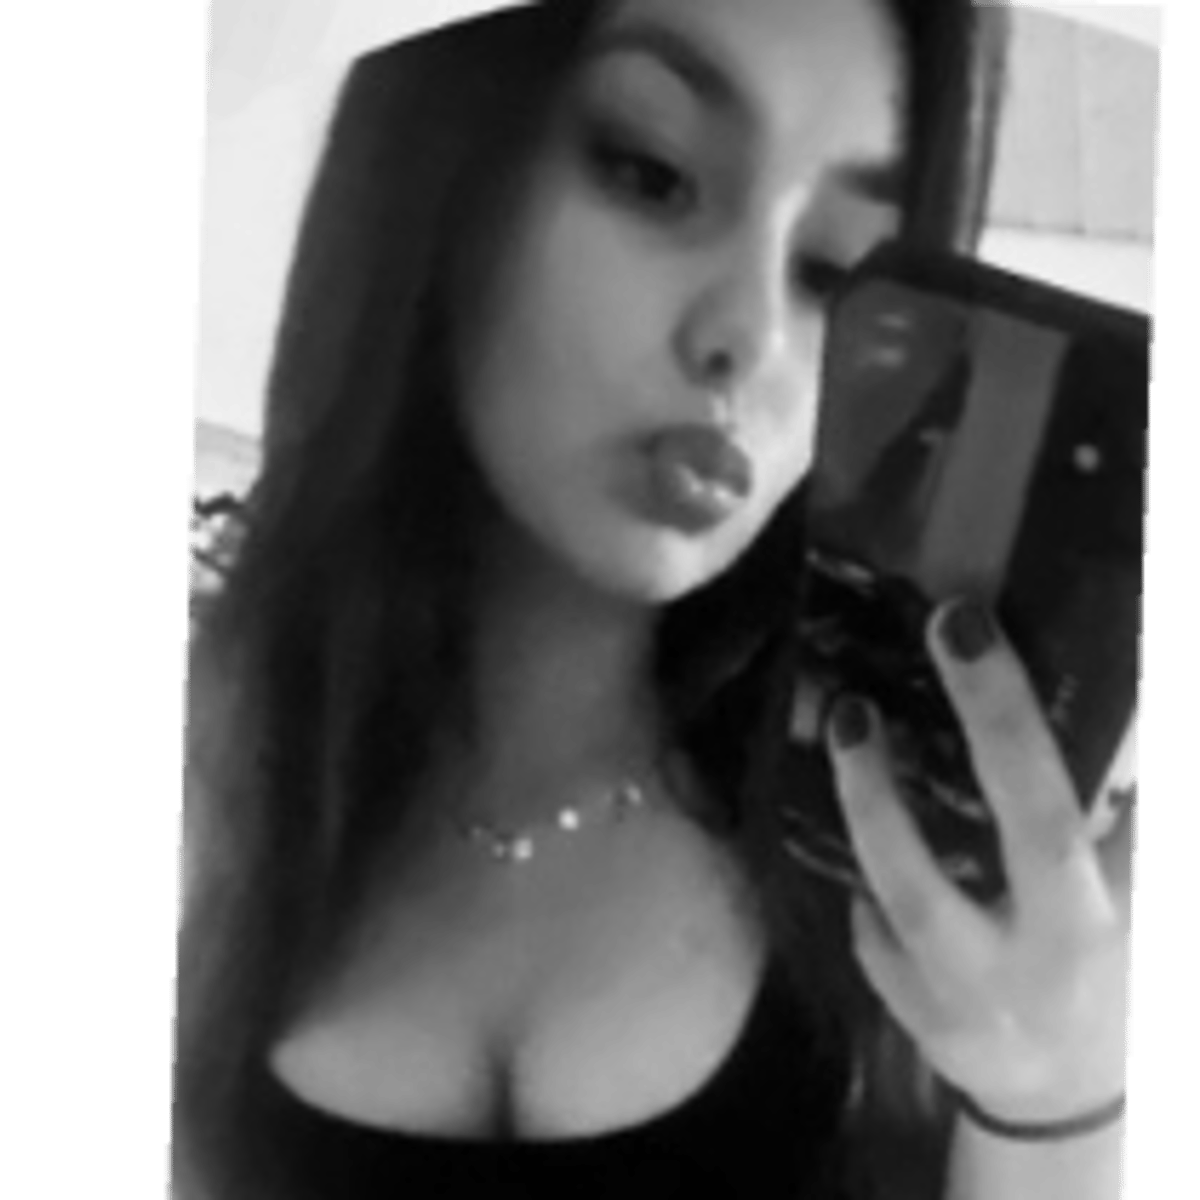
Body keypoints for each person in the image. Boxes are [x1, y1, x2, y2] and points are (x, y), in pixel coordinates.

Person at [173, 1, 1138, 1197]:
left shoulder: (886, 828)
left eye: (836, 271)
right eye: (652, 172)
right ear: (441, 161)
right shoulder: (215, 762)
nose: (751, 337)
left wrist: (1054, 1101)